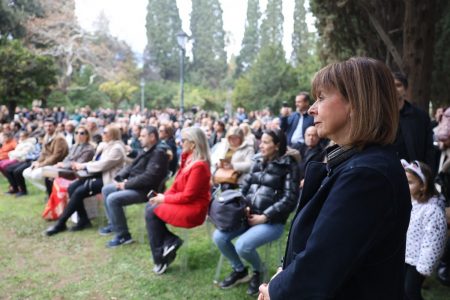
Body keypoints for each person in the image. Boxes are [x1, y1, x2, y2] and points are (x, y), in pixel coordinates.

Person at [259, 57, 411, 300]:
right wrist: (283, 274)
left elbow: (322, 262)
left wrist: (277, 291)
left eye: (321, 97)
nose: (311, 108)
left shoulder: (367, 175)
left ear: (355, 102)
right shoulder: (354, 163)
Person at [213, 128, 299, 296]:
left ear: (277, 145)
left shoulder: (289, 165)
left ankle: (258, 271)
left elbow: (290, 199)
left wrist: (265, 216)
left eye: (266, 142)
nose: (261, 145)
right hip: (247, 215)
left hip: (272, 221)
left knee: (243, 245)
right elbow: (245, 187)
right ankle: (240, 270)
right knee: (219, 237)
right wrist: (242, 205)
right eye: (261, 141)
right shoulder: (257, 160)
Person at [145, 127, 211, 275]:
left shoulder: (199, 166)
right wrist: (161, 198)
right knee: (152, 207)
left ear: (193, 144)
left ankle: (161, 257)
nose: (179, 142)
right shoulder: (187, 159)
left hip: (194, 208)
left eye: (183, 140)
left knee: (151, 211)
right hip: (184, 203)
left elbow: (189, 196)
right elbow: (175, 187)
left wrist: (164, 199)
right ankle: (169, 243)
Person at [44, 124, 126, 236]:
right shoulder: (104, 145)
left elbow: (103, 165)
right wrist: (82, 165)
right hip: (96, 175)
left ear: (113, 135)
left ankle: (60, 223)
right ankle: (83, 220)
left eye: (105, 132)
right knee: (72, 187)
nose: (102, 134)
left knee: (79, 192)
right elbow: (94, 162)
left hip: (108, 179)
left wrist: (83, 166)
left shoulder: (117, 148)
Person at [99, 126, 169, 248]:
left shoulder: (159, 152)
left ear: (152, 137)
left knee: (113, 199)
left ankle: (123, 236)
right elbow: (132, 166)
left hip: (148, 191)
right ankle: (113, 224)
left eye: (143, 136)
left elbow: (149, 178)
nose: (139, 138)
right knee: (106, 189)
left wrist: (126, 184)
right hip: (136, 185)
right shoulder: (147, 149)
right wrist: (119, 178)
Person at [401, 160, 447, 300]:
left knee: (411, 292)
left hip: (418, 263)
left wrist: (424, 267)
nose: (404, 185)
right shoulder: (409, 202)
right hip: (406, 257)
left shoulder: (432, 211)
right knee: (402, 291)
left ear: (423, 186)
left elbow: (434, 241)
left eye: (409, 182)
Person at [392, 72, 435, 174]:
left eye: (398, 85)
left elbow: (429, 149)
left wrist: (427, 175)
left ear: (405, 89)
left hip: (413, 175)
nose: (394, 89)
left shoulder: (420, 117)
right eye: (391, 85)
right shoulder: (379, 116)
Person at [23, 118, 69, 194]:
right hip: (46, 163)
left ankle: (51, 191)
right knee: (26, 172)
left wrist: (41, 165)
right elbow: (43, 153)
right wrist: (37, 162)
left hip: (57, 164)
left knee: (35, 175)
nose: (48, 128)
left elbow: (56, 156)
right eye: (46, 126)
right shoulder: (47, 136)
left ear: (55, 126)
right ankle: (48, 190)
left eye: (50, 126)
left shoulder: (59, 138)